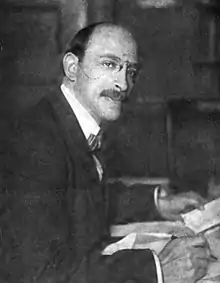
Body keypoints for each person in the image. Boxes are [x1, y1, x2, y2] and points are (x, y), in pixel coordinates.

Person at [2, 22, 211, 283]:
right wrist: (156, 268)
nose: (123, 84)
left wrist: (157, 202)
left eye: (130, 71)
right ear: (72, 68)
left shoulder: (70, 120)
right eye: (109, 64)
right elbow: (42, 272)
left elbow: (82, 198)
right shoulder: (35, 140)